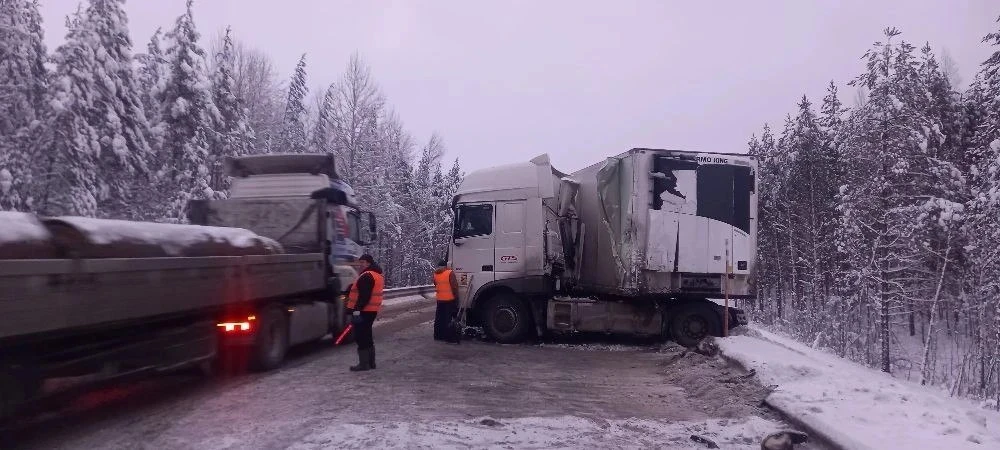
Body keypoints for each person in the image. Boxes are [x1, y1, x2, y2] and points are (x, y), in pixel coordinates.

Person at [345, 254, 384, 371]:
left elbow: (364, 296)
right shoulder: (377, 274)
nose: (360, 265)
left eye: (363, 262)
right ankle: (371, 363)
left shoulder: (367, 275)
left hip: (364, 311)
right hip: (371, 310)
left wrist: (357, 310)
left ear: (368, 263)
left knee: (360, 336)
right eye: (360, 262)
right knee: (367, 335)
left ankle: (364, 364)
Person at [432, 260, 461, 343]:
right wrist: (456, 297)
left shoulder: (435, 274)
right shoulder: (449, 273)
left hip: (439, 299)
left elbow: (435, 284)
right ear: (445, 266)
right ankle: (447, 337)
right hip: (449, 299)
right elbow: (454, 286)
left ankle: (437, 336)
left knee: (439, 318)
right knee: (447, 319)